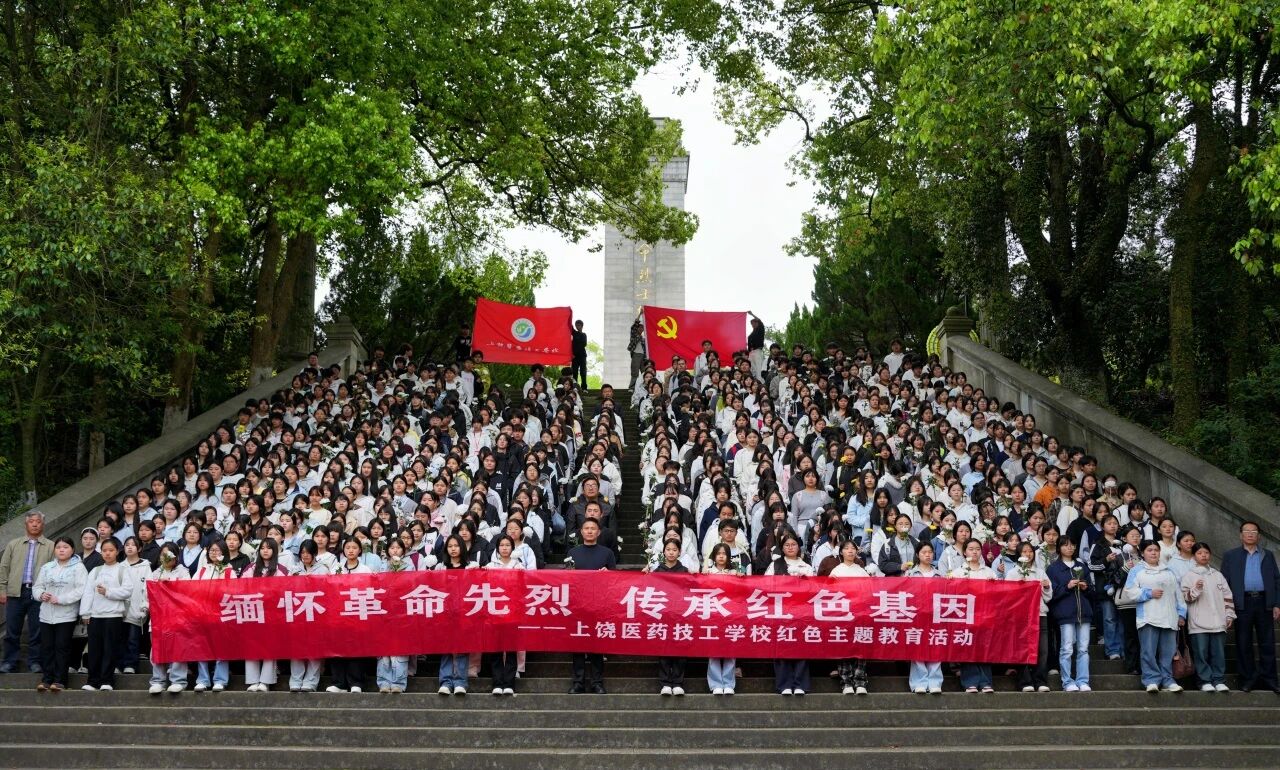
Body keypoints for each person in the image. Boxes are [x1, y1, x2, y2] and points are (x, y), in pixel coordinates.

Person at [1219, 521, 1280, 693]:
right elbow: (1224, 582)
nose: (1250, 533)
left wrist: (1277, 603)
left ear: (1258, 535)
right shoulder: (1231, 555)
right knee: (1243, 642)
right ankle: (1247, 679)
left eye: (1254, 531)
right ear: (1241, 535)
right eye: (1247, 531)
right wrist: (1227, 606)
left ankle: (1270, 679)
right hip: (1242, 603)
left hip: (1264, 602)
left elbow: (1277, 580)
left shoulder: (1267, 555)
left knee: (1267, 642)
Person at [1122, 540, 1187, 693]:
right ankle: (1151, 680)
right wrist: (1148, 593)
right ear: (1143, 553)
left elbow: (1178, 594)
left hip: (1169, 617)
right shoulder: (1137, 571)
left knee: (1168, 652)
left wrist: (1181, 613)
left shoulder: (1169, 571)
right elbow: (1129, 591)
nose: (1153, 553)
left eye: (1156, 550)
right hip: (1148, 617)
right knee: (1148, 651)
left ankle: (1168, 680)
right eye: (1149, 550)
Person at [0, 510, 55, 673]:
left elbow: (55, 570)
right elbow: (4, 567)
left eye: (38, 521)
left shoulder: (51, 546)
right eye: (31, 521)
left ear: (43, 524)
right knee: (12, 630)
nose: (35, 524)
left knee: (37, 630)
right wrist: (2, 589)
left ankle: (35, 662)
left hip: (39, 594)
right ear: (26, 524)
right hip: (15, 592)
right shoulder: (14, 544)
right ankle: (9, 662)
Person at [78, 537, 133, 691]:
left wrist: (108, 592)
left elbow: (127, 591)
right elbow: (88, 593)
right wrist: (85, 613)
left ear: (117, 552)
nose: (107, 553)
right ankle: (92, 681)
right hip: (95, 616)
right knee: (94, 650)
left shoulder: (123, 570)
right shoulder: (96, 571)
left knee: (110, 649)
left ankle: (107, 680)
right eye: (104, 550)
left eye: (111, 550)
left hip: (113, 615)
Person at [32, 537, 86, 692]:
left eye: (65, 547)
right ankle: (46, 679)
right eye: (59, 547)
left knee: (62, 647)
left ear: (72, 550)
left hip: (66, 615)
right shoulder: (47, 567)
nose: (62, 550)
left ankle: (60, 680)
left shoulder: (79, 568)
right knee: (47, 647)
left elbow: (80, 590)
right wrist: (41, 594)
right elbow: (37, 587)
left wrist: (61, 599)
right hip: (46, 614)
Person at [1180, 543, 1234, 692]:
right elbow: (1185, 598)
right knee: (1201, 653)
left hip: (1218, 621)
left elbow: (1227, 596)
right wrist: (1196, 589)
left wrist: (1229, 614)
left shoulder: (1217, 575)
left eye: (1206, 552)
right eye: (1199, 553)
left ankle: (1219, 680)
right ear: (1194, 556)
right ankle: (1204, 681)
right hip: (1198, 623)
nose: (1203, 555)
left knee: (1219, 653)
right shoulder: (1189, 576)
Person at [567, 519, 613, 694]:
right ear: (581, 531)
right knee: (577, 645)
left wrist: (608, 574)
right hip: (578, 604)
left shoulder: (607, 553)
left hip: (599, 605)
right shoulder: (573, 552)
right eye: (586, 528)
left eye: (593, 528)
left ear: (599, 532)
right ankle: (578, 682)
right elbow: (567, 579)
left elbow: (615, 580)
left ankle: (597, 682)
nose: (589, 531)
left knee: (597, 645)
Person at [765, 533, 813, 696]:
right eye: (787, 545)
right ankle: (784, 683)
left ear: (798, 547)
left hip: (801, 612)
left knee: (801, 648)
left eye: (793, 544)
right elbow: (766, 585)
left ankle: (800, 684)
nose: (790, 547)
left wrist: (804, 581)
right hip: (781, 611)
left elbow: (814, 589)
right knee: (781, 647)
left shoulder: (806, 566)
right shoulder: (775, 565)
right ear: (782, 547)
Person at [949, 538, 996, 693]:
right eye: (971, 549)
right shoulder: (958, 572)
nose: (974, 552)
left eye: (977, 549)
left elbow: (998, 594)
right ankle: (970, 682)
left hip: (985, 616)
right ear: (964, 552)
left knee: (984, 648)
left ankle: (985, 682)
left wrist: (993, 584)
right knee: (968, 647)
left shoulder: (989, 572)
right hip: (966, 616)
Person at [1048, 538, 1093, 692]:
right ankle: (1067, 681)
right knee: (1067, 648)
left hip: (1084, 612)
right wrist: (1067, 586)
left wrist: (1086, 587)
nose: (1070, 548)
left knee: (1083, 649)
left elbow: (1092, 590)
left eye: (1072, 545)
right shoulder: (1053, 568)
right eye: (1066, 545)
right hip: (1065, 613)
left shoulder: (1082, 566)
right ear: (1059, 548)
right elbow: (1051, 594)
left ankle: (1083, 680)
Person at [243, 539, 288, 692]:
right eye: (262, 548)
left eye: (268, 548)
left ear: (274, 551)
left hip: (272, 613)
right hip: (253, 611)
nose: (265, 551)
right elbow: (242, 587)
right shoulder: (251, 568)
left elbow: (284, 590)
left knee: (269, 646)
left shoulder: (281, 570)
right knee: (252, 645)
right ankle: (252, 680)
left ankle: (266, 681)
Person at [1006, 541, 1051, 692]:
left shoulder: (1040, 572)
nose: (1028, 554)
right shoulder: (1013, 573)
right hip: (1021, 616)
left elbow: (1048, 597)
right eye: (1024, 551)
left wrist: (1046, 587)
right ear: (1019, 554)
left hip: (1040, 614)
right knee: (1022, 648)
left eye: (1030, 551)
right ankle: (1025, 681)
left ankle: (1040, 680)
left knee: (1042, 649)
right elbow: (1008, 596)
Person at [828, 539, 872, 695]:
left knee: (861, 646)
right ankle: (846, 681)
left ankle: (860, 681)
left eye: (853, 548)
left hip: (860, 614)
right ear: (841, 552)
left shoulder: (861, 571)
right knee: (843, 647)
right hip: (842, 615)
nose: (850, 551)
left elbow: (870, 591)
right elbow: (829, 592)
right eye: (846, 548)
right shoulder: (836, 571)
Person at [288, 540, 329, 692]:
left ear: (314, 554)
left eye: (308, 552)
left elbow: (327, 590)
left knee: (314, 648)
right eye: (302, 553)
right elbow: (286, 589)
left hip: (316, 614)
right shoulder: (294, 569)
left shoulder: (323, 569)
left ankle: (311, 681)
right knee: (297, 648)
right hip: (298, 614)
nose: (305, 555)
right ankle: (296, 679)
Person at [905, 542, 945, 694]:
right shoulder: (910, 574)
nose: (927, 555)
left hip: (935, 614)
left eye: (930, 552)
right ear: (917, 554)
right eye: (924, 552)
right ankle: (919, 682)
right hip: (917, 615)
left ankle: (935, 682)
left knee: (936, 645)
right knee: (918, 647)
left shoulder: (939, 574)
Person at [652, 539, 688, 696]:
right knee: (664, 649)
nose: (671, 552)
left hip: (681, 616)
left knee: (680, 649)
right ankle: (665, 682)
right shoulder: (657, 571)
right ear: (663, 551)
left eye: (674, 550)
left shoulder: (685, 571)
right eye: (668, 549)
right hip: (663, 616)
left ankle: (678, 682)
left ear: (679, 552)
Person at [704, 543, 740, 695]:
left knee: (730, 650)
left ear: (728, 556)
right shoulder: (707, 572)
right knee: (713, 650)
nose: (721, 556)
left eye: (724, 554)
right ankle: (715, 683)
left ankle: (729, 683)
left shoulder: (735, 572)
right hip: (713, 615)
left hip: (731, 616)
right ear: (714, 556)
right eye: (718, 553)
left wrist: (740, 578)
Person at [570, 319, 588, 390]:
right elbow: (570, 326)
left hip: (582, 356)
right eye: (576, 325)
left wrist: (575, 351)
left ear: (582, 326)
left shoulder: (584, 335)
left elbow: (584, 344)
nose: (577, 326)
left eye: (579, 325)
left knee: (583, 372)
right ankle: (575, 387)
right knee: (574, 372)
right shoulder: (574, 333)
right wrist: (568, 316)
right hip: (574, 357)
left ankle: (584, 388)